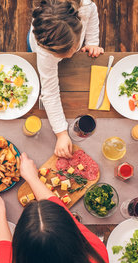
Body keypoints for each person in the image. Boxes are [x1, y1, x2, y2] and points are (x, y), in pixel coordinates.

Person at [28, 0, 104, 158]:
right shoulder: (45, 54)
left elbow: (93, 12)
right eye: (63, 55)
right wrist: (61, 134)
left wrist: (92, 42)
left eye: (70, 50)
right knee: (32, 55)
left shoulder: (86, 6)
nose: (70, 56)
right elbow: (49, 93)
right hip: (41, 50)